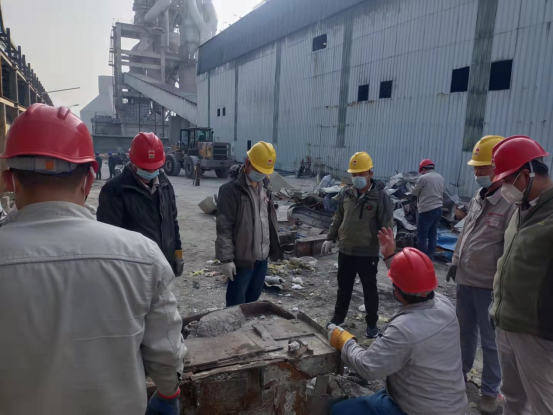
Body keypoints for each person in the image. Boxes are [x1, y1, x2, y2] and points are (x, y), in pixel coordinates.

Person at [0, 104, 186, 415]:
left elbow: (173, 222)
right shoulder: (144, 257)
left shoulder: (161, 194)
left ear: (8, 180)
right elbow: (166, 351)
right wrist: (169, 393)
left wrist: (176, 252)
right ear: (89, 180)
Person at [329, 227, 467, 415]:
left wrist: (343, 340)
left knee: (339, 410)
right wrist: (389, 256)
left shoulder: (404, 329)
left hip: (417, 410)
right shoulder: (444, 305)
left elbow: (367, 367)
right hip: (449, 404)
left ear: (397, 291)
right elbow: (412, 281)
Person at [447, 135, 515, 414]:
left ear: (499, 168)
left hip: (489, 285)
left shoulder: (510, 203)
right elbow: (466, 232)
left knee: (491, 342)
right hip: (465, 278)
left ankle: (489, 391)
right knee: (463, 332)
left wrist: (504, 287)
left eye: (482, 168)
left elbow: (511, 251)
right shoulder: (478, 196)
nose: (477, 173)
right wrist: (455, 261)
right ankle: (459, 375)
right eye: (475, 168)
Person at [488, 135, 553, 414]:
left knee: (543, 405)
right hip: (506, 324)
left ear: (526, 175)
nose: (503, 188)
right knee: (512, 397)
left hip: (536, 332)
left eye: (506, 181)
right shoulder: (521, 209)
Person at [321, 152, 394, 338]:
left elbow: (387, 225)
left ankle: (372, 324)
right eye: (354, 174)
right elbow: (338, 217)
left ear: (370, 173)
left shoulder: (380, 197)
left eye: (361, 174)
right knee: (343, 287)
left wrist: (388, 250)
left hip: (367, 252)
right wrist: (330, 237)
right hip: (345, 250)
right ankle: (338, 318)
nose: (357, 178)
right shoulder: (346, 193)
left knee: (369, 289)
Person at [97, 132, 184, 277]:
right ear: (132, 160)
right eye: (145, 168)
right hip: (134, 270)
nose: (151, 172)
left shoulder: (165, 184)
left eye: (155, 168)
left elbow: (172, 221)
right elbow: (109, 239)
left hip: (164, 263)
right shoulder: (114, 190)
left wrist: (177, 254)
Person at [216, 141, 283, 307]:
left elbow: (267, 220)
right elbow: (224, 227)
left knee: (252, 303)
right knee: (235, 306)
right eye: (258, 170)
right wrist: (226, 259)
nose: (261, 174)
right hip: (242, 259)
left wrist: (273, 249)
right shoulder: (231, 190)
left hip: (262, 258)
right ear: (247, 163)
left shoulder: (266, 188)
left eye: (264, 171)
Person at [412, 159, 444, 259]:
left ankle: (421, 258)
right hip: (438, 209)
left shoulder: (423, 178)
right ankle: (430, 257)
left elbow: (414, 193)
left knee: (422, 236)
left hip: (426, 210)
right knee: (432, 235)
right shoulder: (440, 177)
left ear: (423, 169)